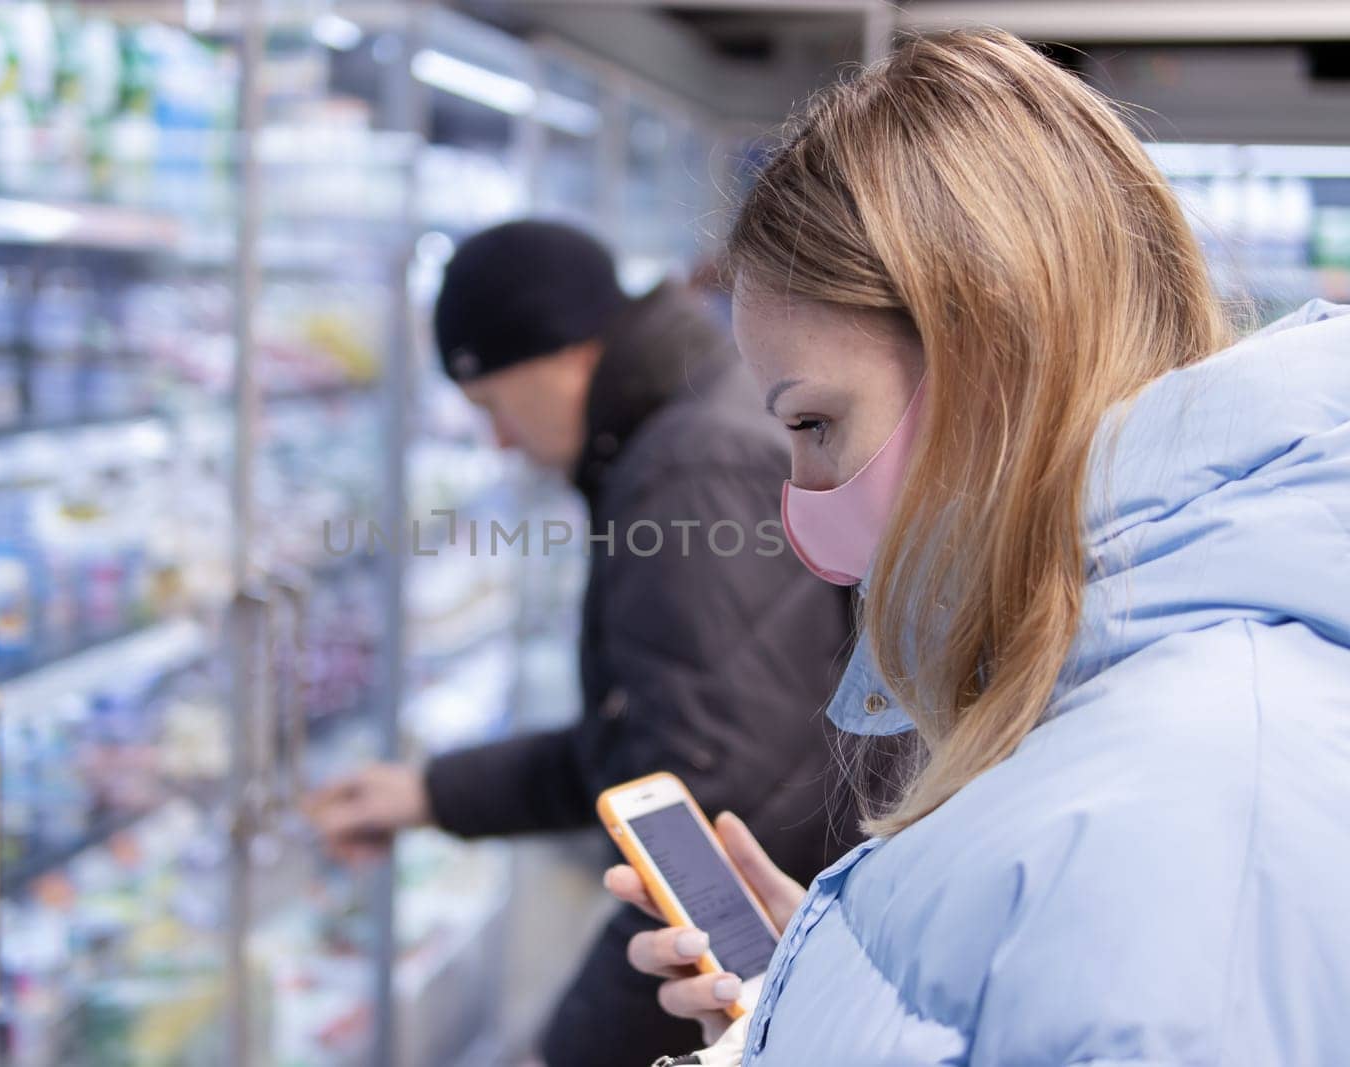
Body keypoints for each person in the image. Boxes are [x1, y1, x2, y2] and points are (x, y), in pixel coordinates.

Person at [608, 29, 1350, 1066]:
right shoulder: (1112, 687)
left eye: (816, 423)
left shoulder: (1191, 808)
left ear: (991, 359)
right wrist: (814, 996)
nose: (804, 504)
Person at [303, 220, 863, 1066]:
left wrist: (563, 1051)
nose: (497, 440)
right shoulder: (674, 430)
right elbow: (647, 747)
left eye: (492, 404)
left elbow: (709, 821)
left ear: (563, 354)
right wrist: (432, 792)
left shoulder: (688, 468)